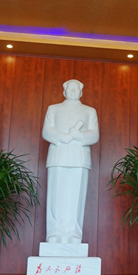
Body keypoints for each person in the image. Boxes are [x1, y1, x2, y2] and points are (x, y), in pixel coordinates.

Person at [42, 79, 99, 244]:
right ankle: (54, 233)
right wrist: (61, 136)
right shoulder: (54, 109)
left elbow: (94, 134)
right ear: (64, 92)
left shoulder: (89, 111)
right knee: (56, 196)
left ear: (81, 93)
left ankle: (74, 233)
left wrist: (80, 135)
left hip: (79, 158)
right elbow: (47, 130)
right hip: (58, 157)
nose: (73, 92)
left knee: (76, 197)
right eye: (70, 89)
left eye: (76, 89)